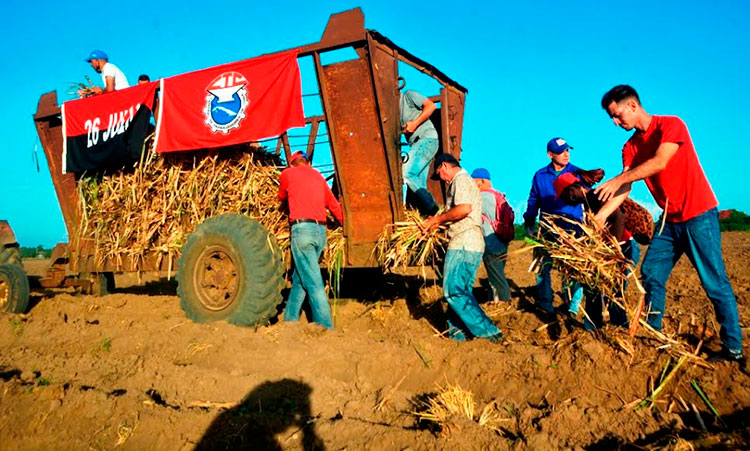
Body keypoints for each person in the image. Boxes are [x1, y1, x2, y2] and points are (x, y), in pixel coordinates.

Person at [594, 84, 745, 369]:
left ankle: (733, 347)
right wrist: (601, 216)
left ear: (633, 106)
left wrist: (615, 180)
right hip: (669, 220)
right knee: (651, 273)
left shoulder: (671, 125)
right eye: (611, 118)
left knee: (714, 283)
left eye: (617, 115)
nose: (616, 123)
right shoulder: (629, 147)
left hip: (699, 214)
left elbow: (660, 162)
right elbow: (625, 185)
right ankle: (654, 332)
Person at [422, 154, 503, 342]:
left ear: (444, 166)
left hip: (464, 243)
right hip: (470, 243)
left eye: (439, 173)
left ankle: (489, 330)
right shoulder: (463, 182)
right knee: (461, 293)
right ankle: (457, 336)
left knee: (453, 291)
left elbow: (464, 209)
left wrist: (438, 219)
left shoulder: (461, 180)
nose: (441, 178)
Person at [554, 172, 639, 330]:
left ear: (576, 187)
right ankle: (594, 327)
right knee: (592, 288)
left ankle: (618, 328)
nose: (565, 198)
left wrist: (613, 252)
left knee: (613, 291)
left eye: (567, 192)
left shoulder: (595, 197)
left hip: (622, 248)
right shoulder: (587, 204)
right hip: (611, 251)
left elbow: (618, 218)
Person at [278, 151, 343, 330]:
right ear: (307, 162)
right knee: (301, 277)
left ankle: (325, 326)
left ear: (292, 163)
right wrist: (344, 223)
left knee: (314, 282)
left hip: (303, 230)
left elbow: (281, 196)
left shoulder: (288, 174)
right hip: (320, 233)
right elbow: (333, 205)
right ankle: (290, 320)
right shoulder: (318, 176)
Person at [523, 137, 584, 316]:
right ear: (550, 155)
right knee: (542, 266)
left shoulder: (577, 173)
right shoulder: (540, 175)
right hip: (548, 227)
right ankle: (545, 304)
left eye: (568, 150)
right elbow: (534, 199)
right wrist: (529, 221)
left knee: (572, 268)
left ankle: (572, 306)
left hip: (573, 228)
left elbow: (589, 199)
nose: (566, 154)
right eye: (561, 151)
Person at [471, 168, 511, 303]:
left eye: (473, 182)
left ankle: (505, 304)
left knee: (497, 278)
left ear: (481, 182)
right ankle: (493, 303)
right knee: (495, 277)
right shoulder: (497, 195)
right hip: (502, 243)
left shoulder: (481, 197)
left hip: (491, 245)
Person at [400, 83, 439, 216]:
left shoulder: (408, 96)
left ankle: (433, 210)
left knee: (406, 172)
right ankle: (427, 217)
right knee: (419, 183)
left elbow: (431, 106)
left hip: (426, 139)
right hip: (418, 144)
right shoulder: (392, 112)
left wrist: (414, 123)